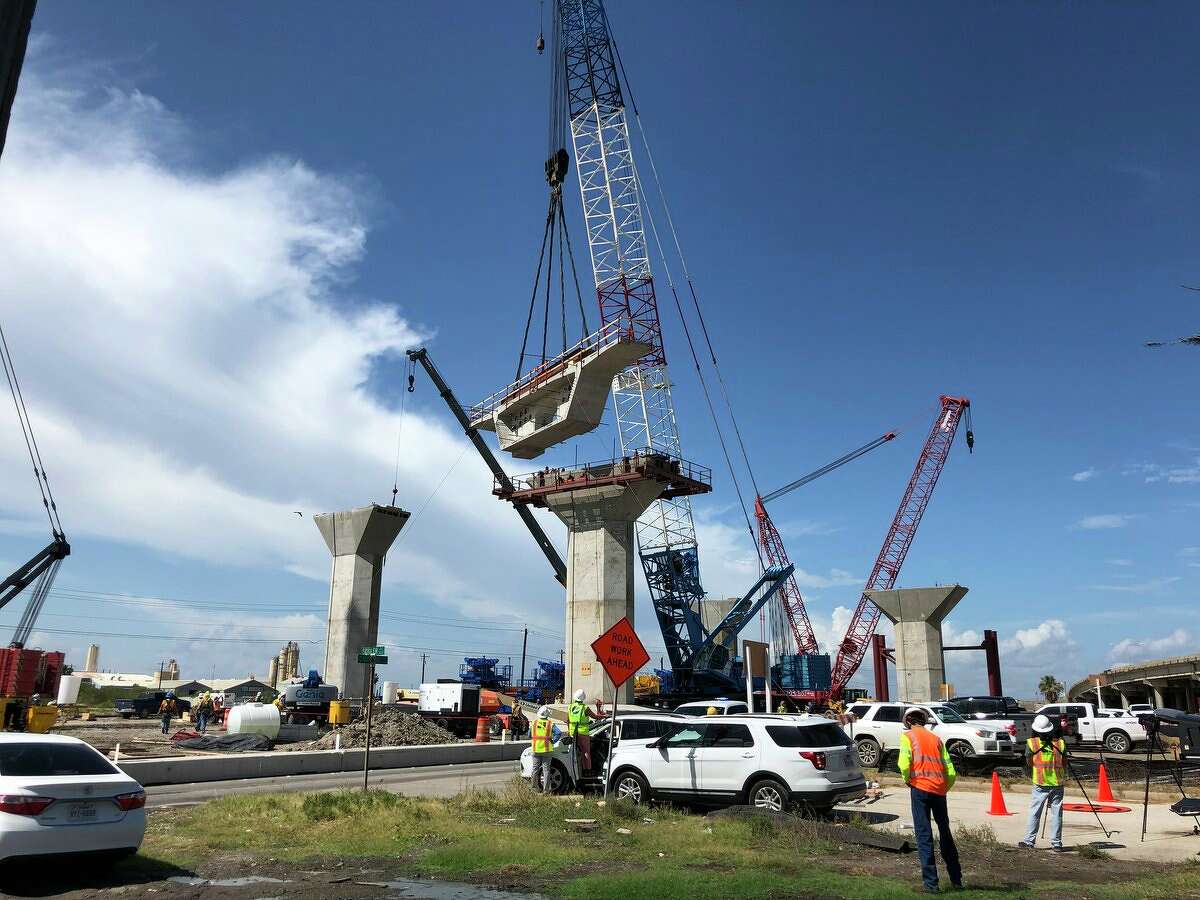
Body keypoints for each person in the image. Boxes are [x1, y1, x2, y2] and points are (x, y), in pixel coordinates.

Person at [899, 706, 962, 893]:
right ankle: (956, 879)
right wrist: (943, 788)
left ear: (908, 721)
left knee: (924, 835)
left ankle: (931, 884)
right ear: (924, 721)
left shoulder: (908, 737)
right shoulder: (937, 740)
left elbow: (904, 764)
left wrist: (908, 780)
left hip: (919, 789)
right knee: (945, 833)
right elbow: (950, 770)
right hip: (939, 791)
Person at [1019, 714, 1067, 852]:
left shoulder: (1032, 743)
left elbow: (1029, 762)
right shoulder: (1060, 743)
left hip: (1040, 783)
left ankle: (1029, 841)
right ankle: (1057, 843)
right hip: (1057, 783)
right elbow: (1064, 763)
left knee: (1035, 812)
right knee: (1057, 813)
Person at [568, 689, 602, 772]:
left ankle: (577, 770)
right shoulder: (585, 708)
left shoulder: (570, 707)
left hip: (573, 733)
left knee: (576, 752)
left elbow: (568, 720)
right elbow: (596, 717)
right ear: (583, 698)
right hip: (583, 732)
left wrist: (569, 731)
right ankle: (587, 770)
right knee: (586, 752)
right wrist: (604, 716)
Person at [529, 705, 557, 793]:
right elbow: (558, 733)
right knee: (546, 770)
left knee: (535, 769)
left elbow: (529, 735)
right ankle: (546, 790)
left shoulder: (534, 723)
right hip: (547, 750)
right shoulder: (550, 723)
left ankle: (534, 788)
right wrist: (553, 741)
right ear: (547, 715)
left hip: (535, 749)